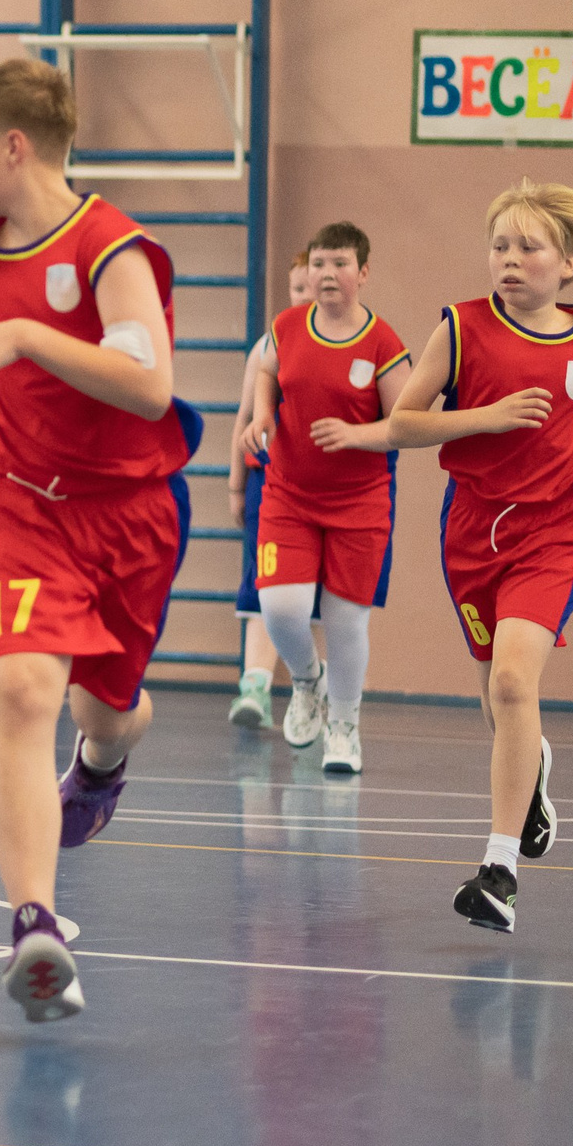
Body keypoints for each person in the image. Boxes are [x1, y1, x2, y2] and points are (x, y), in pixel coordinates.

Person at [0, 58, 200, 1023]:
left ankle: (103, 763)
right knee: (20, 688)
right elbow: (13, 378)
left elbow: (145, 386)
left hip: (131, 516)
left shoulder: (111, 247)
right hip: (24, 505)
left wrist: (24, 336)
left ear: (14, 145)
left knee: (108, 710)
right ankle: (35, 926)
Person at [384, 179, 573, 934]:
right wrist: (485, 417)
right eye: (500, 246)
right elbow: (402, 425)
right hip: (471, 530)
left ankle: (499, 870)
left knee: (514, 681)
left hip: (552, 531)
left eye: (529, 248)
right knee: (497, 700)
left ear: (570, 262)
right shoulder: (460, 328)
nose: (510, 261)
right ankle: (534, 769)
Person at [235, 223, 411, 774]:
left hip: (360, 503)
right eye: (318, 264)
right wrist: (263, 412)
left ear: (362, 273)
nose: (326, 273)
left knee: (344, 623)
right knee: (280, 609)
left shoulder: (383, 344)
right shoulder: (286, 326)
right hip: (288, 495)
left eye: (339, 263)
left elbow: (405, 424)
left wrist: (355, 435)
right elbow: (266, 371)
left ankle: (344, 727)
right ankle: (306, 681)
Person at [226, 254, 314, 731]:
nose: (304, 298)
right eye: (297, 288)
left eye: (313, 288)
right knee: (264, 583)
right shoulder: (268, 346)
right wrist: (237, 484)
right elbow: (243, 418)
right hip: (269, 483)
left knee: (318, 599)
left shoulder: (348, 346)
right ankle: (254, 684)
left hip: (320, 487)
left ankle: (313, 689)